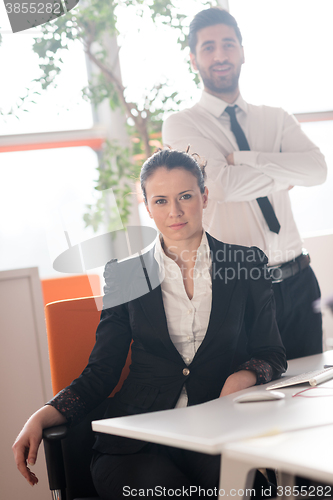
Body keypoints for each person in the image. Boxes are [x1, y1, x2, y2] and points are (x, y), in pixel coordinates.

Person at [13, 149, 286, 499]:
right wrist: (41, 415)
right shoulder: (125, 275)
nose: (174, 211)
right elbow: (102, 371)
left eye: (185, 196)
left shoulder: (246, 263)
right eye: (161, 200)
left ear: (204, 196)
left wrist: (240, 378)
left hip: (216, 433)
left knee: (248, 492)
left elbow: (272, 352)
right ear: (147, 206)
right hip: (136, 441)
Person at [162, 8, 327, 361]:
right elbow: (221, 186)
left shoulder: (276, 117)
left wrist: (249, 159)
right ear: (193, 59)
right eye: (208, 48)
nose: (220, 55)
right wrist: (284, 173)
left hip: (299, 280)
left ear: (242, 51)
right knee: (250, 400)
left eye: (228, 44)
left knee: (313, 393)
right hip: (241, 285)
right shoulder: (181, 125)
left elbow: (316, 171)